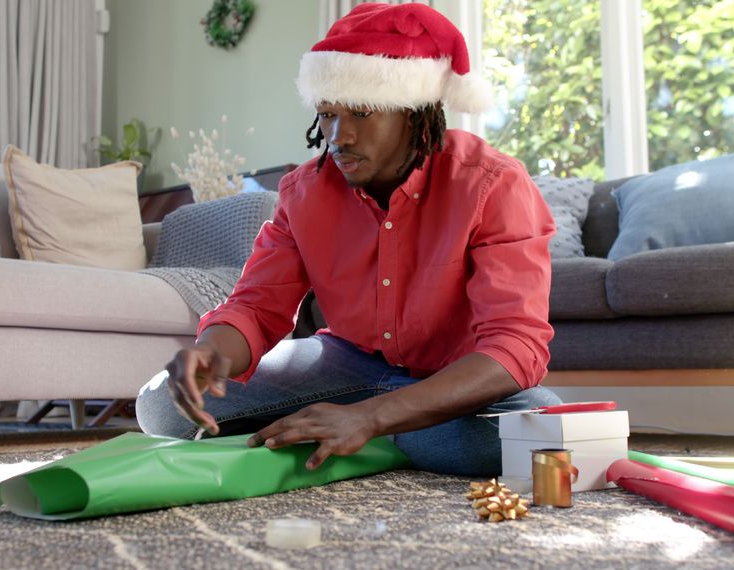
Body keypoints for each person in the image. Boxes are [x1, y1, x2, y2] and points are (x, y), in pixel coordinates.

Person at [136, 2, 561, 477]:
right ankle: (379, 434)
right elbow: (256, 307)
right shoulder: (303, 191)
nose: (340, 136)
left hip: (452, 377)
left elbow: (514, 347)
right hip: (347, 365)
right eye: (328, 114)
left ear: (414, 114)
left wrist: (373, 416)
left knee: (532, 426)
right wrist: (213, 352)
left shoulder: (492, 184)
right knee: (162, 406)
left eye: (361, 113)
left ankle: (363, 430)